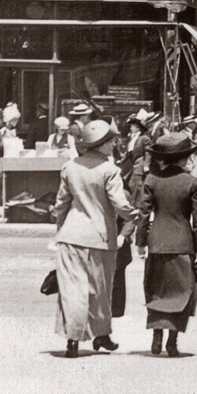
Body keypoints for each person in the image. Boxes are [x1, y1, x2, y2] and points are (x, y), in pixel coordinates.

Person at [50, 118, 137, 357]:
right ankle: (102, 335)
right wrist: (135, 216)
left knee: (72, 289)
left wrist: (59, 232)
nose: (114, 145)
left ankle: (73, 339)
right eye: (111, 141)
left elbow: (61, 204)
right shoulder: (110, 170)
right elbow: (120, 204)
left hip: (71, 235)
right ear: (101, 144)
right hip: (100, 236)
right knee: (100, 289)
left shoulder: (70, 167)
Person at [138, 130, 197, 357]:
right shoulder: (192, 182)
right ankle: (172, 342)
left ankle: (156, 336)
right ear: (185, 157)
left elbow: (144, 215)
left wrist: (140, 242)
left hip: (157, 242)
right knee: (180, 292)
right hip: (183, 243)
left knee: (156, 289)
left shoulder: (152, 181)